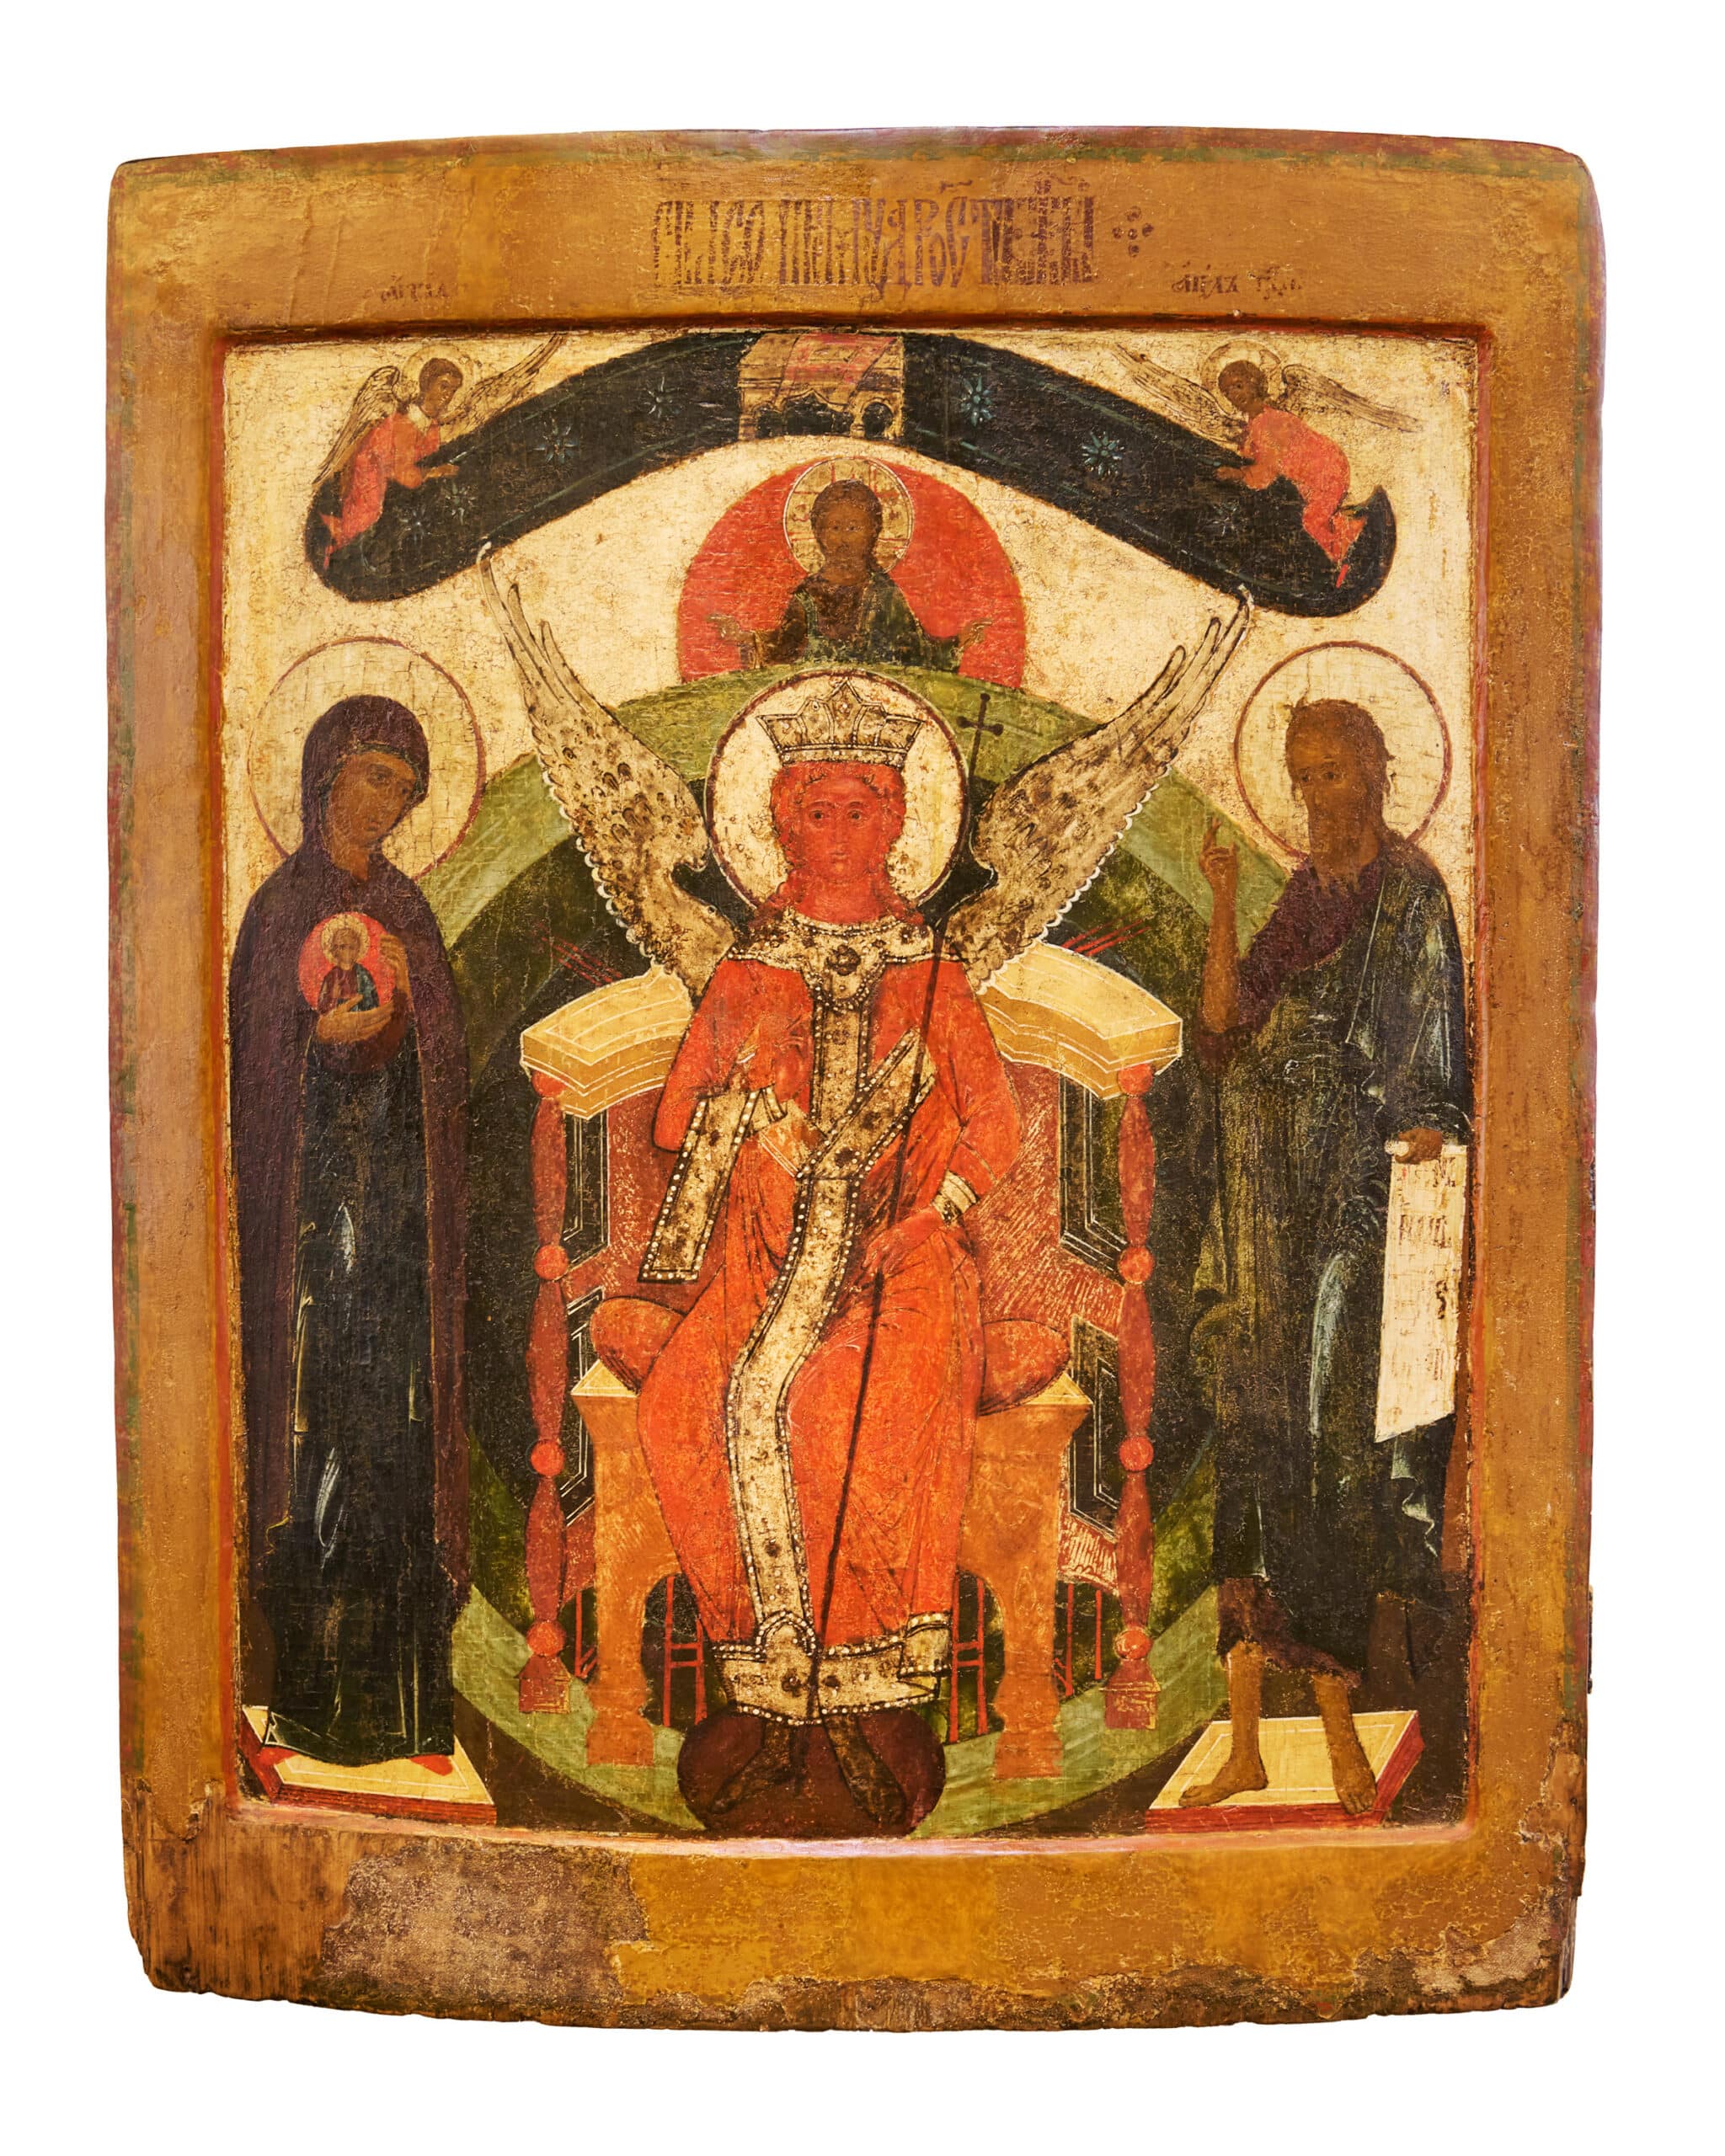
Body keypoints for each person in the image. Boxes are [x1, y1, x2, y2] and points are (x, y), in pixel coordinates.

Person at [595, 691, 1019, 1825]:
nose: (836, 834)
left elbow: (996, 1125)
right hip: (764, 1262)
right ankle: (769, 1682)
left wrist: (921, 1220)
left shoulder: (930, 968)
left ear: (896, 826)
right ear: (782, 827)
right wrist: (751, 1098)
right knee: (689, 1406)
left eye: (859, 812)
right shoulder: (752, 967)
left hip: (902, 1267)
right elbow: (676, 1119)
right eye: (815, 812)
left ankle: (867, 1697)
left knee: (841, 1408)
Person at [1183, 698, 1469, 1812]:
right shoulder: (1300, 902)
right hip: (1264, 1199)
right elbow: (1222, 1025)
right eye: (1300, 779)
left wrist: (1407, 1156)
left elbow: (1431, 1066)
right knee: (1251, 1443)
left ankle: (1344, 1739)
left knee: (1329, 1452)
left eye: (1332, 775)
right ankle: (1246, 1740)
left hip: (1348, 1204)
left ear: (1377, 774)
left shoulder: (1411, 899)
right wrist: (1221, 898)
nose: (1314, 800)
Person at [230, 696, 469, 1770]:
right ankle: (309, 1712)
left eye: (405, 791)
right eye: (376, 778)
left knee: (399, 1447)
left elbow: (446, 1065)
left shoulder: (408, 911)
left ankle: (412, 1719)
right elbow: (256, 1066)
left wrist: (408, 1014)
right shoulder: (281, 909)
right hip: (314, 1231)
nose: (388, 805)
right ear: (328, 774)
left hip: (397, 1231)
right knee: (320, 1442)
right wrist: (315, 1035)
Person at [709, 478, 988, 672]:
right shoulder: (808, 595)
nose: (843, 538)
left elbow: (917, 653)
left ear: (873, 532)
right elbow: (784, 647)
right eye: (834, 528)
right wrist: (745, 639)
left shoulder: (884, 594)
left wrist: (957, 642)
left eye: (853, 528)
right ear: (818, 533)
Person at [1214, 360, 1365, 585]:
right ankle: (1349, 535)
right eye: (1228, 392)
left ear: (1254, 382)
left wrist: (1239, 474)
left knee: (1312, 520)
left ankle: (1346, 562)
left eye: (1238, 386)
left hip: (1325, 471)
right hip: (1312, 475)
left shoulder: (1267, 421)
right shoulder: (1257, 421)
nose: (1234, 395)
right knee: (1321, 518)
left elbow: (1267, 469)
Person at [320, 359, 462, 567]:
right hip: (370, 489)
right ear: (426, 383)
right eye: (443, 386)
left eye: (453, 390)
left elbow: (423, 461)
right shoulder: (404, 421)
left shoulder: (431, 427)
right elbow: (401, 472)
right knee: (359, 542)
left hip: (393, 492)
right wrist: (434, 472)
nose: (448, 395)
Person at [315, 914, 381, 1014]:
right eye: (343, 947)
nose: (347, 952)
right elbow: (322, 1009)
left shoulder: (363, 975)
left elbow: (373, 1004)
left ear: (358, 950)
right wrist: (333, 997)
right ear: (335, 951)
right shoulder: (331, 977)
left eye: (351, 947)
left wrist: (360, 1001)